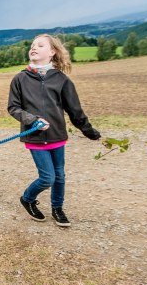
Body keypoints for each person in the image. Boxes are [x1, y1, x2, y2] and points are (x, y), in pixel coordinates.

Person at [8, 34, 102, 227]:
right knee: (47, 178)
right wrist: (32, 120)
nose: (33, 48)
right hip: (34, 136)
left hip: (57, 135)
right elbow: (13, 108)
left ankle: (57, 209)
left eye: (40, 45)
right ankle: (27, 198)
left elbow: (74, 110)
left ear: (52, 52)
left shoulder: (61, 80)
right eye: (32, 45)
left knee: (59, 175)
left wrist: (89, 131)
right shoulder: (20, 79)